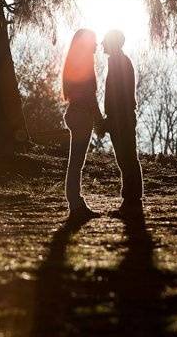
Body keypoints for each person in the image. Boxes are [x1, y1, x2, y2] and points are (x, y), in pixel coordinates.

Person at [62, 29, 104, 219]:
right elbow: (89, 97)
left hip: (75, 114)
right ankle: (76, 205)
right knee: (76, 163)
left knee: (76, 163)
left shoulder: (74, 63)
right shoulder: (84, 65)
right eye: (94, 41)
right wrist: (99, 121)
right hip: (81, 116)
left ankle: (75, 203)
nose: (96, 45)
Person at [102, 29, 144, 213]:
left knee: (126, 157)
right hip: (121, 117)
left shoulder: (119, 63)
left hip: (122, 118)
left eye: (105, 41)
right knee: (126, 157)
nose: (102, 44)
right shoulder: (118, 61)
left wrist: (113, 118)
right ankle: (131, 199)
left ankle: (132, 200)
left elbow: (118, 94)